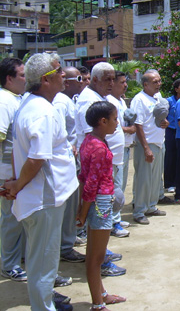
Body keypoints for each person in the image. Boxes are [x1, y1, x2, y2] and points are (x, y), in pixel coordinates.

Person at [2, 52, 78, 310]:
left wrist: (15, 182)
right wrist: (17, 184)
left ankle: (44, 302)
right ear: (45, 79)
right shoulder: (42, 111)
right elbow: (36, 158)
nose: (64, 76)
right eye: (59, 71)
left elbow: (16, 149)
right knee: (43, 264)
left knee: (39, 260)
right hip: (44, 198)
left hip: (40, 196)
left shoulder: (29, 104)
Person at [75, 62, 126, 277]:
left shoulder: (102, 99)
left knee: (101, 223)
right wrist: (82, 212)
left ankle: (101, 253)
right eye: (107, 79)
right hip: (99, 180)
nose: (111, 83)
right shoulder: (89, 102)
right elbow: (90, 183)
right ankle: (100, 262)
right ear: (94, 79)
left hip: (104, 167)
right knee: (98, 222)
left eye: (113, 79)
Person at [76, 101, 126, 311]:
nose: (118, 123)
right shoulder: (96, 146)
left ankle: (101, 294)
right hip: (99, 203)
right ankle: (97, 303)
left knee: (97, 255)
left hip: (99, 202)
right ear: (103, 121)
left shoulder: (90, 140)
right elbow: (90, 184)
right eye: (115, 119)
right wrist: (82, 213)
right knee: (96, 257)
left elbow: (83, 177)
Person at [53, 66, 86, 263]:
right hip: (65, 161)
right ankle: (65, 247)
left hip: (71, 159)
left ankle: (68, 241)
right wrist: (69, 146)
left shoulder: (69, 100)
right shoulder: (60, 102)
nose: (83, 82)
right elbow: (57, 132)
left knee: (73, 202)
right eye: (79, 78)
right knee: (68, 204)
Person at [0, 58, 27, 282]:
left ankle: (19, 258)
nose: (26, 79)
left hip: (18, 172)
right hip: (7, 173)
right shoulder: (4, 101)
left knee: (19, 217)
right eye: (22, 75)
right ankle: (9, 264)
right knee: (10, 219)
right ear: (9, 79)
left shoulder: (17, 99)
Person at [130, 70, 168, 224]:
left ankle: (151, 206)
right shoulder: (139, 100)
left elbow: (159, 119)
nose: (158, 84)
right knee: (143, 179)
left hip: (159, 143)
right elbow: (138, 124)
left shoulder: (158, 98)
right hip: (146, 144)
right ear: (145, 84)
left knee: (155, 178)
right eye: (155, 82)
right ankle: (139, 211)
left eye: (159, 81)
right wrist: (146, 148)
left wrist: (166, 123)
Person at [105, 72, 131, 237]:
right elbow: (113, 126)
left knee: (120, 187)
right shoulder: (109, 101)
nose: (125, 85)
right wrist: (129, 129)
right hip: (112, 153)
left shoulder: (121, 100)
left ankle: (117, 218)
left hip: (123, 149)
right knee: (114, 190)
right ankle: (113, 223)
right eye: (121, 82)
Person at [164, 78, 180, 194]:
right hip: (171, 131)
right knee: (170, 157)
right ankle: (169, 183)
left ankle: (179, 181)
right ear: (176, 89)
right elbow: (163, 115)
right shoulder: (169, 101)